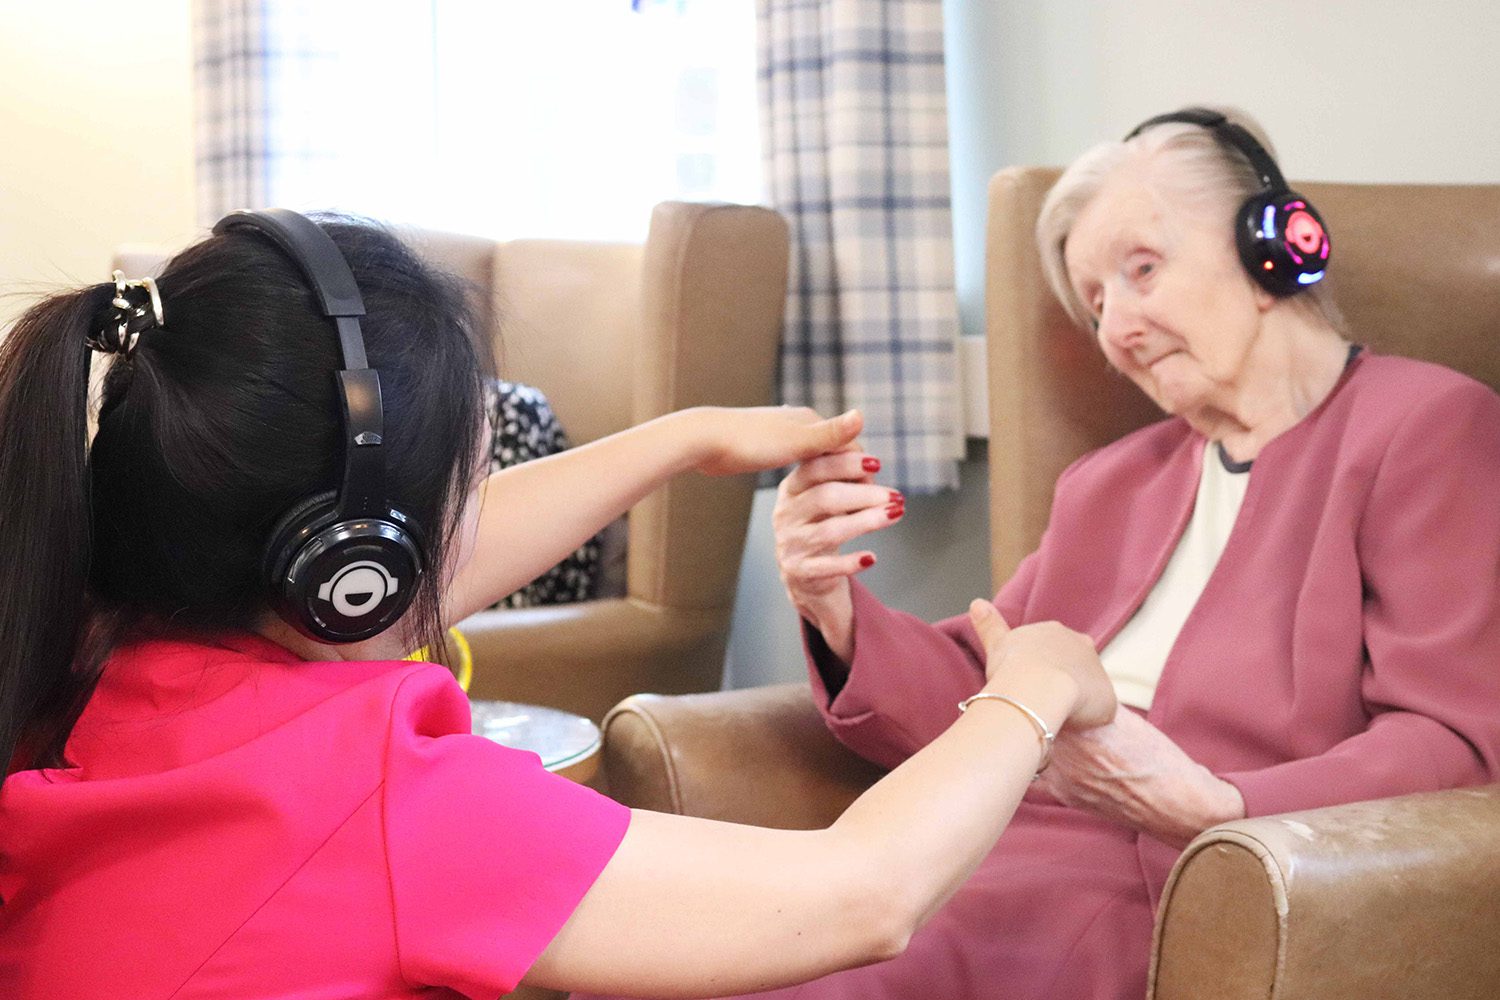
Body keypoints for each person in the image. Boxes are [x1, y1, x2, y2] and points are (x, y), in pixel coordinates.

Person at [0, 210, 1115, 999]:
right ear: (350, 568)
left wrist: (683, 439)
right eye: (469, 482)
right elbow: (862, 896)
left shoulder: (81, 652)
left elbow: (419, 565)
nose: (474, 523)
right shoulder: (376, 795)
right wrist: (1030, 688)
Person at [701, 107, 1500, 1000]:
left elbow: (1456, 740)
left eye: (1142, 270)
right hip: (983, 837)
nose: (1116, 329)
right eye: (1096, 303)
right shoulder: (1110, 481)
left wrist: (1218, 806)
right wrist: (831, 607)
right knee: (677, 954)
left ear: (1275, 248)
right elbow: (984, 681)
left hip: (1169, 876)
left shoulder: (1426, 426)